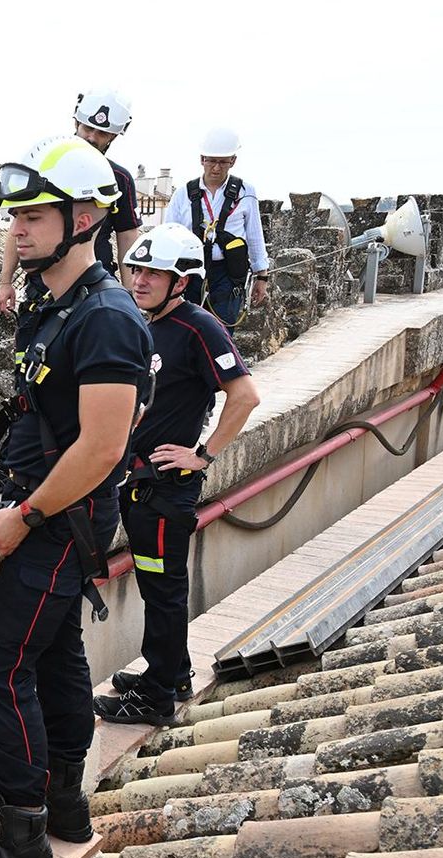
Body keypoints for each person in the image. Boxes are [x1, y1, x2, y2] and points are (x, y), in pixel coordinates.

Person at [0, 136, 152, 858]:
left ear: (85, 217)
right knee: (57, 664)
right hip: (48, 510)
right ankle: (61, 804)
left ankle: (22, 843)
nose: (16, 230)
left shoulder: (109, 320)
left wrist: (24, 514)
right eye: (14, 217)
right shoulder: (60, 305)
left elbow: (102, 447)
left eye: (34, 216)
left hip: (56, 521)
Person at [94, 223, 260, 726]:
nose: (140, 280)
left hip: (166, 492)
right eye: (137, 269)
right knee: (156, 587)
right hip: (140, 486)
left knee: (163, 590)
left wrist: (203, 455)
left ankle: (157, 697)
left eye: (154, 273)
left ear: (181, 282)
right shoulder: (143, 321)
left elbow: (245, 394)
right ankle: (172, 672)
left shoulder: (198, 326)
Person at [0, 88, 141, 498]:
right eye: (88, 128)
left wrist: (134, 292)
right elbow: (19, 227)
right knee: (27, 380)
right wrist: (6, 279)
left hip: (88, 290)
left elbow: (128, 237)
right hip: (43, 291)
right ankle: (13, 469)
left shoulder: (117, 180)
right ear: (76, 121)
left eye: (103, 134)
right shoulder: (47, 168)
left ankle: (57, 474)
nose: (93, 138)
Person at [163, 127, 270, 334]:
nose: (216, 168)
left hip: (227, 273)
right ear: (202, 159)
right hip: (190, 271)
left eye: (223, 161)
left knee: (221, 331)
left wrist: (261, 277)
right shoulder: (183, 194)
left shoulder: (245, 193)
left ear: (233, 161)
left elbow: (255, 235)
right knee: (185, 329)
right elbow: (169, 235)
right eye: (211, 160)